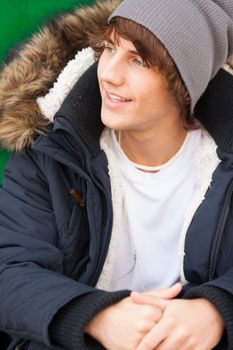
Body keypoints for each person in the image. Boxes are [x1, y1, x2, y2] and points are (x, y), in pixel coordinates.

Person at [0, 0, 233, 349]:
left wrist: (217, 309)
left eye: (138, 60)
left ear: (185, 82)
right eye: (108, 48)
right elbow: (9, 270)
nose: (108, 73)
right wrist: (96, 316)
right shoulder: (51, 149)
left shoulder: (224, 157)